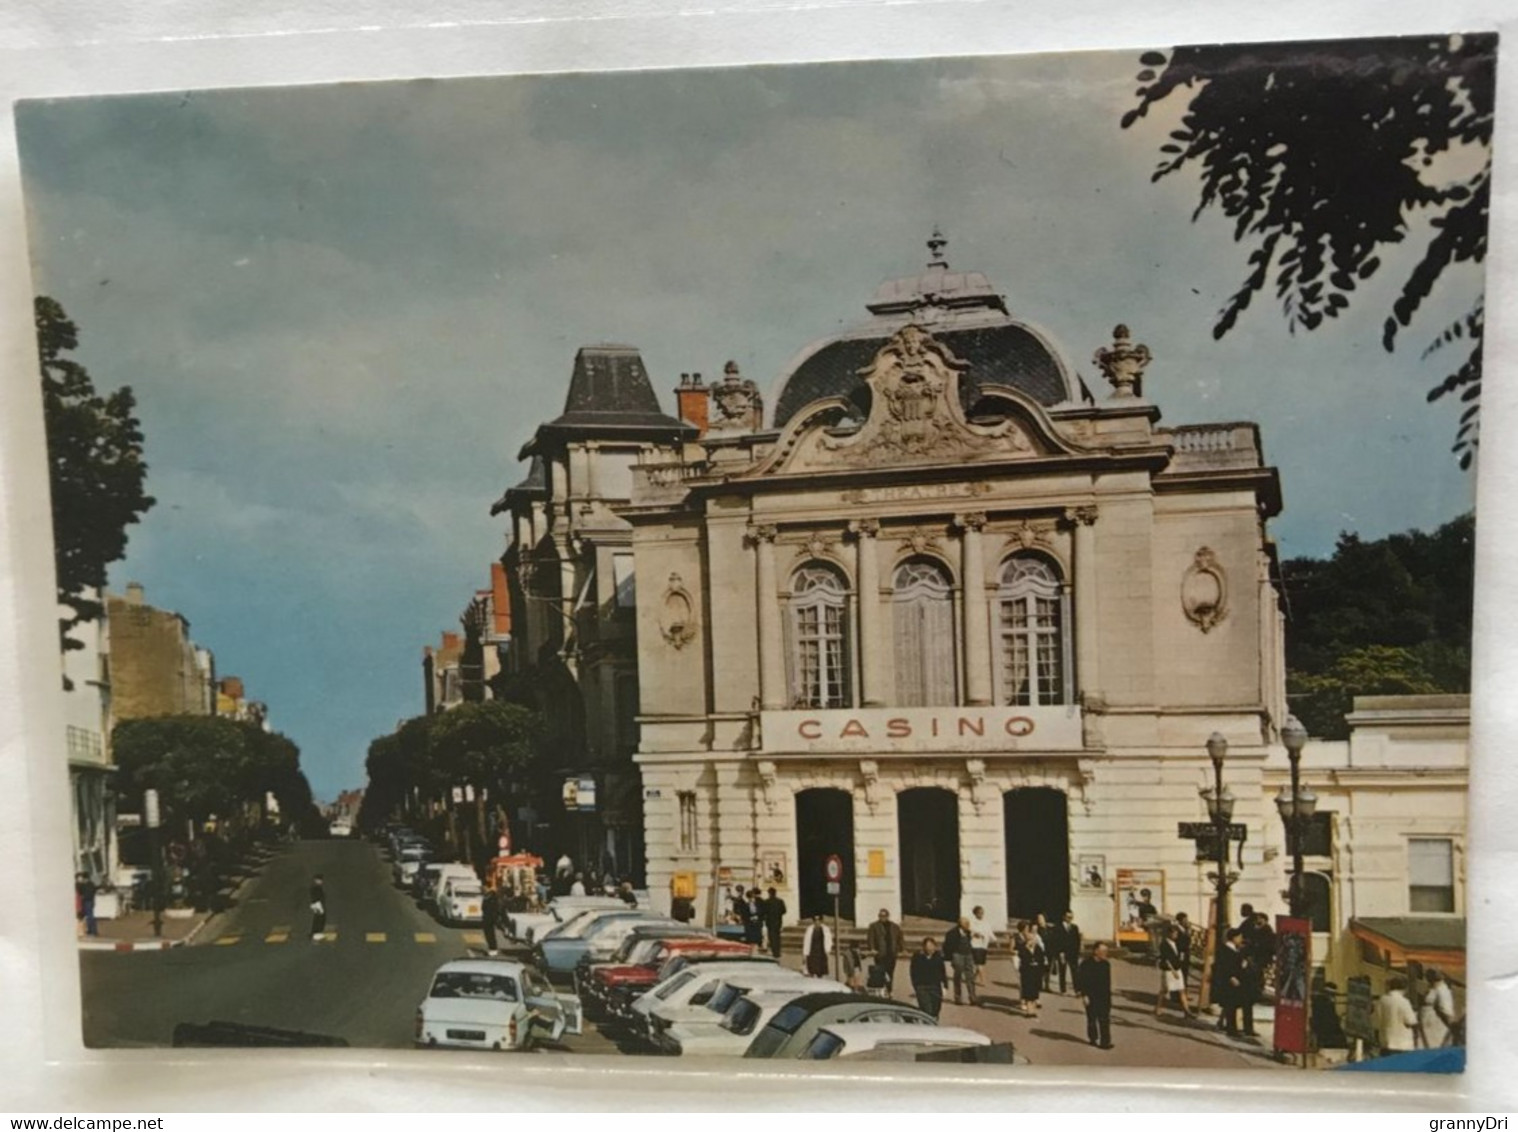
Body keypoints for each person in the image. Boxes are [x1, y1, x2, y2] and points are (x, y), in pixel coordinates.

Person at [1075, 941, 1114, 1049]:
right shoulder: (1086, 964)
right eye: (1103, 951)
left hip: (1104, 996)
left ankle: (1105, 1042)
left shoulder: (1106, 964)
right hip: (1091, 996)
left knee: (1104, 1019)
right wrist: (1084, 995)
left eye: (1106, 951)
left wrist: (1109, 997)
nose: (1105, 953)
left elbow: (1107, 982)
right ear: (1096, 951)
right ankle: (1093, 1038)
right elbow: (1081, 980)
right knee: (1092, 1018)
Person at [1155, 923, 1194, 1017]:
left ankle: (1186, 1011)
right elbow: (1166, 959)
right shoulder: (1164, 944)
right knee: (1164, 991)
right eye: (1174, 934)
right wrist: (1173, 971)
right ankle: (1158, 1008)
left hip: (1177, 968)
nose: (1176, 935)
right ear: (1169, 934)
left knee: (1181, 990)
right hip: (1169, 971)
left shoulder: (1176, 943)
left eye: (1176, 934)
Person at [866, 908, 906, 995]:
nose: (882, 917)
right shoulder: (874, 926)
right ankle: (881, 989)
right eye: (880, 916)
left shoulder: (895, 926)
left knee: (890, 972)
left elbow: (900, 938)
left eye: (884, 916)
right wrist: (872, 948)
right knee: (880, 972)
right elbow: (870, 938)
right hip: (880, 954)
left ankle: (889, 989)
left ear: (887, 916)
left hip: (891, 953)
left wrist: (902, 949)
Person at [1377, 976, 1420, 1054]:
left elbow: (1378, 1017)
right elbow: (1411, 1021)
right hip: (1402, 1044)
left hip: (1385, 1041)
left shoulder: (1382, 1000)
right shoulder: (1404, 1002)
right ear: (1405, 988)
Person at [942, 916, 979, 1006]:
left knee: (970, 976)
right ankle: (958, 997)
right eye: (966, 924)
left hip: (968, 954)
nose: (968, 926)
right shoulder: (952, 933)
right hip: (957, 954)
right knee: (958, 976)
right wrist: (950, 956)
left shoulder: (968, 933)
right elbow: (947, 946)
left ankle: (972, 997)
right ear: (961, 925)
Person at [909, 937, 949, 1019]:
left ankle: (934, 1025)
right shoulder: (917, 957)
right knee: (927, 1010)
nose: (929, 948)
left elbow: (942, 972)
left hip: (935, 987)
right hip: (922, 987)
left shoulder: (938, 957)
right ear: (924, 947)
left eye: (931, 946)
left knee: (936, 1010)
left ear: (934, 946)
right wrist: (916, 985)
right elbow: (913, 972)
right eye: (927, 946)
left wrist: (945, 986)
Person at [1015, 920, 1047, 1016]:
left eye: (1033, 939)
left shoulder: (1038, 948)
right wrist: (1026, 947)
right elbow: (1022, 957)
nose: (1032, 941)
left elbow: (1041, 958)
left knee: (1034, 992)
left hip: (1036, 971)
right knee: (1028, 991)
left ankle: (1033, 1010)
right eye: (1030, 939)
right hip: (1027, 972)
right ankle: (1029, 1011)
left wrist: (1040, 966)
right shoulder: (1023, 948)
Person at [1419, 968, 1456, 1049]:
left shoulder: (1442, 990)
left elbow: (1446, 1010)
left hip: (1437, 1025)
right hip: (1429, 1025)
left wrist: (1452, 1027)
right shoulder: (1433, 988)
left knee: (1435, 1046)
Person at [1054, 910, 1082, 994]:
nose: (1069, 919)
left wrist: (1077, 952)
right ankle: (1063, 989)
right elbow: (1057, 941)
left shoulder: (1074, 927)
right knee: (1062, 971)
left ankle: (1077, 990)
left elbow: (1077, 941)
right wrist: (1060, 952)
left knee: (1075, 972)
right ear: (1064, 917)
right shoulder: (1058, 927)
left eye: (1071, 917)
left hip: (1073, 953)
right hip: (1062, 953)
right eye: (1068, 917)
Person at [968, 905, 994, 989]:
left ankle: (973, 978)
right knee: (979, 964)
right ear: (975, 914)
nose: (981, 915)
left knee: (980, 963)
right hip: (975, 945)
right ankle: (983, 980)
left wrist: (995, 940)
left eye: (982, 913)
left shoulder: (986, 922)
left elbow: (990, 933)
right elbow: (970, 931)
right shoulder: (972, 922)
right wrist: (975, 934)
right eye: (979, 913)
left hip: (984, 945)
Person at [761, 886, 786, 958]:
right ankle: (777, 952)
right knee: (777, 937)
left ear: (769, 893)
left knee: (771, 937)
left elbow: (764, 911)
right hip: (778, 921)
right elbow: (784, 911)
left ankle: (774, 951)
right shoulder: (780, 901)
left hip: (769, 922)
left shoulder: (767, 902)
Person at [74, 872, 98, 938]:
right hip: (89, 901)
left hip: (87, 901)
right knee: (88, 916)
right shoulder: (90, 884)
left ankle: (92, 931)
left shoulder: (87, 885)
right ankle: (90, 930)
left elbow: (86, 893)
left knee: (89, 916)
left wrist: (83, 897)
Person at [309, 874, 326, 940]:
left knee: (318, 918)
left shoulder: (315, 887)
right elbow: (317, 897)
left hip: (316, 904)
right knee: (320, 918)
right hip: (317, 904)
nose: (321, 881)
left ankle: (315, 932)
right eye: (319, 880)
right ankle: (316, 933)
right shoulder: (316, 888)